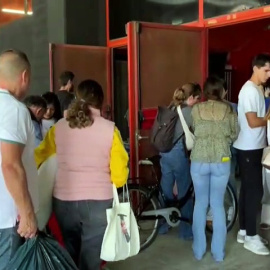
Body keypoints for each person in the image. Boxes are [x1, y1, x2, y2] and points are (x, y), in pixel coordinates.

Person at [35, 79, 129, 270]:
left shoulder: (58, 127)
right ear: (100, 102)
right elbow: (120, 177)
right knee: (91, 256)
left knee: (69, 250)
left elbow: (38, 157)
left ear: (77, 99)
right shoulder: (110, 129)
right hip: (98, 203)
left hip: (63, 201)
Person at [190, 76, 238, 262]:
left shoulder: (196, 109)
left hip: (199, 160)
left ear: (205, 92)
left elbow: (195, 129)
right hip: (221, 158)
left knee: (200, 204)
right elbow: (234, 134)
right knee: (217, 205)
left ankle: (199, 250)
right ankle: (218, 253)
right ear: (221, 91)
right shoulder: (228, 110)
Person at [0, 49, 38, 269]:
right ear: (24, 76)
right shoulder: (13, 110)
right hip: (7, 219)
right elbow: (11, 165)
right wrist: (27, 214)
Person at [234, 54, 270, 256]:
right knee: (254, 192)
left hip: (253, 146)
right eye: (266, 70)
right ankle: (251, 237)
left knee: (248, 191)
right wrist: (268, 119)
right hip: (248, 148)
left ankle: (243, 232)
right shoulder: (248, 90)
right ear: (255, 68)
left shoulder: (257, 89)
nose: (269, 74)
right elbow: (253, 122)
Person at [159, 83, 201, 239]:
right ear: (190, 98)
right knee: (185, 191)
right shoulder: (188, 111)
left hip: (164, 153)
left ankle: (163, 225)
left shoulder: (170, 107)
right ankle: (186, 231)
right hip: (177, 154)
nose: (198, 102)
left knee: (166, 189)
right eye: (197, 98)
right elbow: (198, 131)